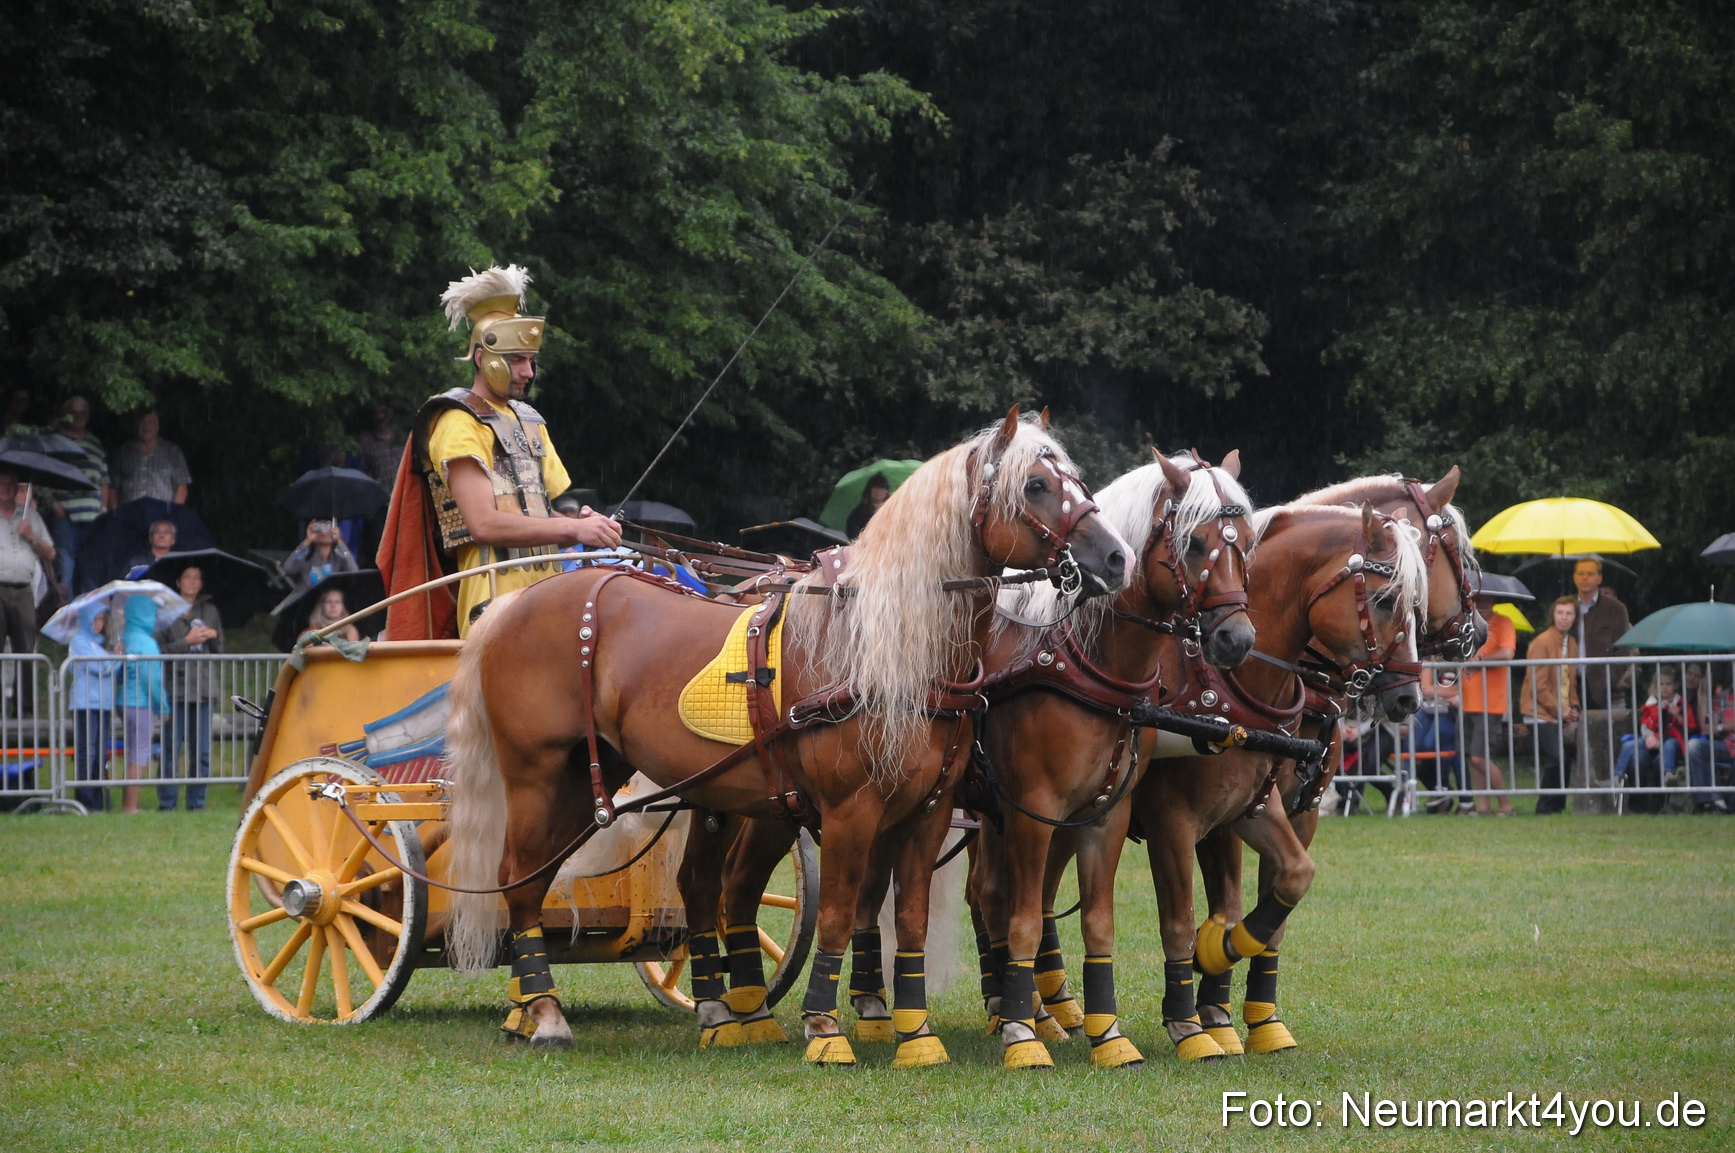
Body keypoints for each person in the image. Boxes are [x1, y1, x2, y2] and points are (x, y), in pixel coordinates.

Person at [379, 264, 619, 639]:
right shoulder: (458, 422)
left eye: (531, 360)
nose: (528, 372)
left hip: (549, 588)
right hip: (493, 594)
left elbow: (537, 515)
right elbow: (484, 524)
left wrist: (586, 525)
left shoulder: (529, 420)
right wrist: (572, 526)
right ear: (481, 358)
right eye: (516, 360)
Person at [157, 565, 223, 812]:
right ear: (178, 582)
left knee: (202, 751)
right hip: (175, 689)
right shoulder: (165, 613)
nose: (192, 582)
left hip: (204, 689)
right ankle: (167, 803)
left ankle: (197, 803)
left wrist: (214, 635)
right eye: (187, 577)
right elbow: (158, 651)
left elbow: (220, 649)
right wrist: (186, 641)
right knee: (171, 749)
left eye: (197, 578)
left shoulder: (210, 610)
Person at [1520, 596, 1582, 814]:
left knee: (1565, 758)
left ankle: (1557, 806)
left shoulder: (1572, 643)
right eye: (1560, 613)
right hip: (1538, 712)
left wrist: (1574, 707)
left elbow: (1571, 683)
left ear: (1575, 617)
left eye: (1569, 613)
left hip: (1561, 712)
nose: (1564, 618)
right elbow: (1538, 686)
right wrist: (1561, 711)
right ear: (1553, 615)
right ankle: (1545, 807)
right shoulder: (1542, 642)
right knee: (1558, 758)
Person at [0, 469, 55, 710]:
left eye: (10, 484)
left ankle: (25, 710)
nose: (5, 488)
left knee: (26, 649)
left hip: (23, 590)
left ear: (17, 488)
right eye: (1, 484)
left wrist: (31, 537)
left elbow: (51, 553)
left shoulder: (30, 516)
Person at [46, 397, 113, 592]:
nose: (78, 416)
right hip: (65, 518)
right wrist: (54, 506)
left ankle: (90, 612)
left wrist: (103, 508)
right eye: (73, 412)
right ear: (65, 415)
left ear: (88, 416)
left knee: (91, 572)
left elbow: (104, 481)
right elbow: (43, 477)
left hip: (93, 519)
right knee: (65, 571)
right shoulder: (55, 442)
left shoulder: (95, 444)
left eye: (83, 412)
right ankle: (65, 611)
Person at [1459, 593, 1516, 815]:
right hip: (1467, 702)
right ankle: (1484, 806)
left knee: (1480, 757)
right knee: (1473, 759)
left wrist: (1480, 660)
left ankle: (1505, 804)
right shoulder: (1466, 623)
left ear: (1494, 602)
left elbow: (1507, 653)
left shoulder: (1503, 622)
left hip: (1490, 703)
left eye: (1487, 600)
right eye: (1478, 599)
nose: (1482, 604)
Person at [1613, 667, 1693, 814]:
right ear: (1656, 686)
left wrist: (1677, 715)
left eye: (1668, 684)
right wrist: (1657, 713)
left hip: (1670, 742)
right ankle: (1617, 776)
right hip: (1652, 741)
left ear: (1675, 685)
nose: (1665, 688)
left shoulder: (1681, 704)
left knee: (1668, 747)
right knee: (1630, 745)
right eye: (1661, 684)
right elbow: (1646, 725)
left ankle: (1669, 774)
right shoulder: (1651, 704)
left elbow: (1691, 727)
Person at [117, 593, 170, 814]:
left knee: (133, 752)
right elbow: (152, 679)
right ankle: (131, 806)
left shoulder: (125, 638)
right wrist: (163, 706)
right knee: (140, 753)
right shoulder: (147, 643)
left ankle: (127, 804)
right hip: (141, 703)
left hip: (124, 700)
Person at [68, 602, 118, 812]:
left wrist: (114, 658)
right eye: (94, 619)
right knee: (86, 752)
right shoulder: (79, 641)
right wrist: (115, 658)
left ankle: (97, 799)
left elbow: (108, 666)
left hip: (103, 704)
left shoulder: (100, 645)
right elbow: (100, 667)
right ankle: (85, 799)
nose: (98, 624)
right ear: (85, 620)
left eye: (101, 620)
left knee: (100, 753)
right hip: (85, 704)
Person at [1572, 558, 1631, 709]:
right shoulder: (1565, 607)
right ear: (1574, 577)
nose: (1585, 578)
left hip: (1602, 686)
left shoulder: (1616, 608)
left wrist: (1610, 679)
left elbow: (1623, 648)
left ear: (1599, 578)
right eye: (1581, 573)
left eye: (1590, 574)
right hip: (1570, 684)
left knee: (1603, 723)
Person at [1414, 667, 1467, 813]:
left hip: (1454, 713)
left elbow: (1465, 689)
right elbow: (1426, 689)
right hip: (1432, 712)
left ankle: (1460, 799)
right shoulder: (1432, 661)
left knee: (1452, 754)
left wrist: (1436, 691)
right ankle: (1440, 790)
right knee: (1416, 751)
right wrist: (1447, 691)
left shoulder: (1463, 662)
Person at [112, 410, 191, 505]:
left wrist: (173, 513)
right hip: (129, 512)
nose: (145, 426)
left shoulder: (172, 452)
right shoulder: (123, 452)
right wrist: (116, 513)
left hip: (162, 513)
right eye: (141, 421)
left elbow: (181, 488)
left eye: (150, 422)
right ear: (135, 425)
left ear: (157, 426)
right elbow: (114, 488)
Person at [1683, 664, 1730, 814]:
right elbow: (1705, 728)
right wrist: (1703, 695)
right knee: (1694, 746)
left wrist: (1720, 727)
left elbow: (1719, 727)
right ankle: (1708, 801)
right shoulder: (1722, 697)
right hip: (1725, 745)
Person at [281, 519, 357, 596]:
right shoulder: (304, 556)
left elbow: (353, 572)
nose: (323, 532)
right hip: (307, 600)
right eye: (318, 528)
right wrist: (307, 541)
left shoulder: (338, 558)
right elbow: (288, 569)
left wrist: (339, 541)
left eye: (328, 527)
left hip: (329, 601)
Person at [357, 405, 403, 491]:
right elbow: (362, 472)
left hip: (402, 494)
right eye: (376, 413)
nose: (380, 416)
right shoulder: (366, 441)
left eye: (383, 412)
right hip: (379, 494)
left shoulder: (401, 438)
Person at [845, 474, 890, 538]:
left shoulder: (892, 511)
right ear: (869, 490)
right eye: (875, 487)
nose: (878, 491)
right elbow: (852, 533)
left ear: (886, 492)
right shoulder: (859, 512)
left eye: (882, 488)